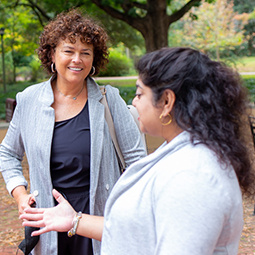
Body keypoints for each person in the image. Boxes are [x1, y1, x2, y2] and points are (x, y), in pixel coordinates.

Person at [20, 47, 255, 255]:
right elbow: (140, 228)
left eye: (140, 93)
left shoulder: (193, 176)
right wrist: (75, 220)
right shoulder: (179, 154)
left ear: (166, 102)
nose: (134, 102)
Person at [0, 8, 146, 255]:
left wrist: (124, 211)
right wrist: (21, 196)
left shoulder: (108, 99)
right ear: (52, 55)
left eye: (85, 53)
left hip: (97, 221)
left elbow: (137, 162)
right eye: (68, 51)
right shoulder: (29, 101)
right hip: (47, 226)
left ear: (94, 60)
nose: (77, 59)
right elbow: (8, 154)